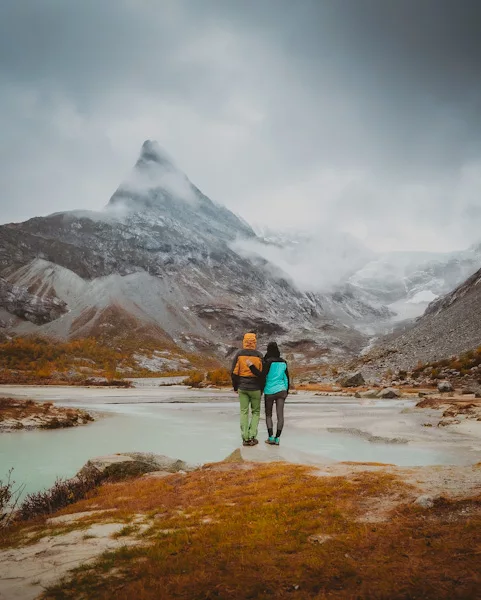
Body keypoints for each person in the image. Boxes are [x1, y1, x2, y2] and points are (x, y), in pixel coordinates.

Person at [248, 341, 290, 446]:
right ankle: (277, 439)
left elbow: (261, 375)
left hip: (269, 392)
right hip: (281, 391)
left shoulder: (268, 362)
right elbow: (286, 378)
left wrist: (251, 366)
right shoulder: (284, 362)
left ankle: (270, 437)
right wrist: (286, 391)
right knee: (280, 416)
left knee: (268, 415)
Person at [230, 332, 263, 447]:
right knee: (256, 412)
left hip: (242, 388)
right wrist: (261, 389)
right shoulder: (259, 355)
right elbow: (262, 374)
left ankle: (245, 438)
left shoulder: (239, 354)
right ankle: (252, 436)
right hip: (256, 389)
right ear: (254, 342)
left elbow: (234, 373)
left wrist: (235, 387)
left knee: (244, 412)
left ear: (244, 341)